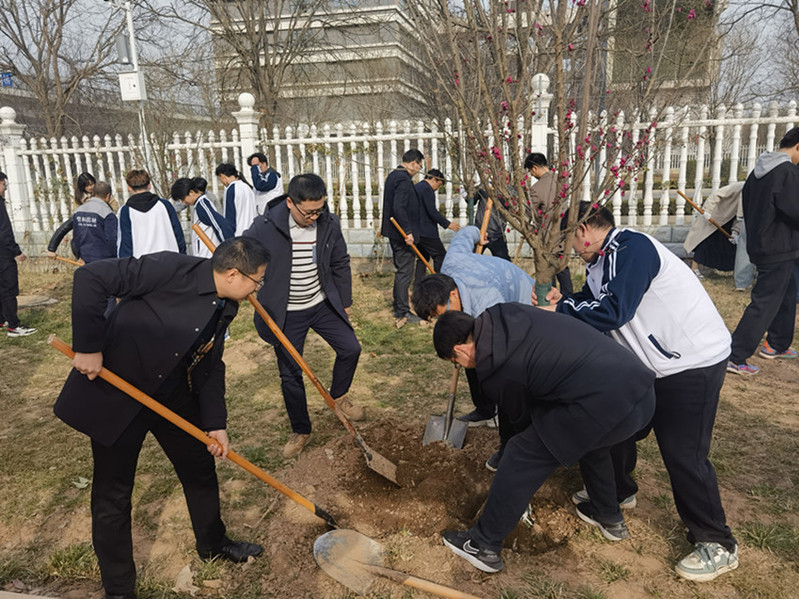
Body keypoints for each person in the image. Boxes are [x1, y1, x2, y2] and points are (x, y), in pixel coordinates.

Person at [53, 238, 269, 599]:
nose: (257, 290)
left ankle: (212, 543)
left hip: (171, 396)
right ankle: (119, 588)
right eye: (257, 281)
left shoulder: (225, 305)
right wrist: (89, 346)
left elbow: (210, 366)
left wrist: (216, 423)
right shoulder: (169, 269)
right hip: (119, 393)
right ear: (233, 274)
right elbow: (91, 277)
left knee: (200, 466)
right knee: (113, 493)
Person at [547, 202, 739, 582]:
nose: (568, 247)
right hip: (651, 364)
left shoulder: (631, 248)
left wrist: (562, 310)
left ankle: (717, 543)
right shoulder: (600, 261)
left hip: (691, 363)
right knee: (619, 423)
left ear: (584, 229)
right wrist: (564, 305)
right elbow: (589, 298)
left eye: (569, 237)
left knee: (683, 454)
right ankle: (618, 491)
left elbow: (613, 310)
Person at [434, 306, 656, 573]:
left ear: (459, 351)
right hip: (640, 391)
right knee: (591, 443)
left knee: (521, 453)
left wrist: (519, 474)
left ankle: (483, 544)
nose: (460, 366)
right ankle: (608, 515)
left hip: (603, 403)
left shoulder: (496, 368)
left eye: (455, 362)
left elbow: (521, 419)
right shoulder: (504, 314)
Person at [244, 174, 362, 458]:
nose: (314, 216)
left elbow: (340, 261)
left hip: (321, 304)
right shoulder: (264, 227)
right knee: (290, 375)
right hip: (285, 313)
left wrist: (344, 301)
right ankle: (301, 429)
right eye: (308, 211)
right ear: (290, 203)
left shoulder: (328, 224)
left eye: (319, 210)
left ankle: (338, 396)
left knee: (351, 348)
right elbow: (243, 256)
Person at [412, 225, 535, 453]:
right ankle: (485, 409)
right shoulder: (450, 267)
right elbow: (463, 236)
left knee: (495, 363)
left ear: (453, 295)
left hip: (525, 303)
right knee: (463, 349)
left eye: (440, 314)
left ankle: (506, 420)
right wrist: (477, 232)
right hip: (491, 305)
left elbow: (502, 347)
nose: (440, 321)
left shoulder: (487, 305)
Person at [727, 127, 799, 374]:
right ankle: (735, 356)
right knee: (765, 302)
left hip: (765, 243)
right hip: (778, 246)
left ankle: (777, 344)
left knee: (787, 295)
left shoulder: (759, 171)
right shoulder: (786, 171)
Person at [380, 149, 424, 324]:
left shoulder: (394, 175)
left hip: (395, 232)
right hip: (401, 234)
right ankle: (403, 311)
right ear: (413, 163)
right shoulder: (403, 179)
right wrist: (407, 231)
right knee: (405, 271)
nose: (419, 169)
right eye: (419, 165)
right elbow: (399, 207)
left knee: (402, 270)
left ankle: (399, 304)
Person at [525, 152, 572, 293]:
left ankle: (550, 304)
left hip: (547, 237)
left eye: (530, 171)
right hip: (563, 235)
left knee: (548, 275)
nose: (532, 175)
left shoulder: (536, 189)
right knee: (563, 271)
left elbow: (529, 213)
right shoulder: (563, 181)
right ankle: (569, 300)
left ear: (534, 168)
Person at [118, 170, 186, 258]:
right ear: (149, 185)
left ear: (129, 188)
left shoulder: (126, 211)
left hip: (141, 264)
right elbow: (178, 234)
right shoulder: (165, 205)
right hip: (170, 260)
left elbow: (126, 243)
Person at [0, 171, 36, 337]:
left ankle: (2, 319)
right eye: (3, 185)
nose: (4, 189)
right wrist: (16, 251)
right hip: (3, 254)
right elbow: (4, 231)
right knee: (9, 289)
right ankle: (14, 326)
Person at [683, 182, 743, 278]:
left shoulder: (753, 195)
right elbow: (716, 194)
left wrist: (735, 231)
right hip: (715, 216)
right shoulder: (738, 187)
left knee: (728, 245)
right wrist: (707, 211)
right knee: (705, 241)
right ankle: (694, 269)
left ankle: (730, 270)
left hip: (729, 219)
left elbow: (740, 216)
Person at [413, 169, 460, 281]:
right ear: (435, 179)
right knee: (440, 256)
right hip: (426, 230)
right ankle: (438, 282)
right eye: (438, 185)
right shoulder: (427, 189)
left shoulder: (417, 187)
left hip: (416, 230)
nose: (436, 189)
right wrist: (447, 224)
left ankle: (418, 285)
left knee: (423, 257)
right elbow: (432, 211)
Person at [171, 177, 234, 259]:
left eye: (183, 199)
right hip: (205, 257)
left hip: (210, 256)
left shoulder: (203, 205)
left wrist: (230, 250)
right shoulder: (198, 205)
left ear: (191, 192)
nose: (183, 202)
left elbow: (221, 225)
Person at [47, 172, 97, 258]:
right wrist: (52, 249)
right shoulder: (78, 199)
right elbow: (65, 226)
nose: (90, 187)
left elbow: (113, 206)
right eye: (87, 185)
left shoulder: (101, 193)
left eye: (92, 184)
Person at [216, 163, 258, 236]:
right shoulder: (247, 187)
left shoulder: (231, 190)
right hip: (252, 232)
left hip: (239, 235)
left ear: (222, 176)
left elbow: (229, 217)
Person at [473, 189, 510, 260]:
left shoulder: (508, 189)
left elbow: (512, 207)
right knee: (472, 262)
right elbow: (470, 200)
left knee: (504, 264)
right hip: (480, 233)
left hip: (497, 234)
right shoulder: (484, 187)